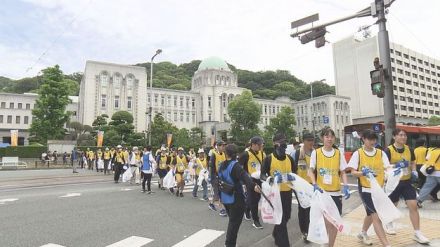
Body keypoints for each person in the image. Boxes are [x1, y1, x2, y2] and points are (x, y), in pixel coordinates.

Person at [346, 129, 391, 247]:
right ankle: (387, 244)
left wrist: (391, 174)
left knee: (370, 214)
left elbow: (388, 168)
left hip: (379, 190)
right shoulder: (358, 153)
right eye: (370, 139)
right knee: (376, 217)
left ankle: (363, 233)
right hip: (366, 189)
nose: (373, 141)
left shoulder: (381, 153)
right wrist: (363, 173)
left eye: (374, 139)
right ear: (364, 139)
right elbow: (353, 172)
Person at [384, 128, 429, 244]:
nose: (404, 137)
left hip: (406, 182)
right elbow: (384, 166)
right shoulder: (388, 150)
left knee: (413, 206)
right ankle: (388, 223)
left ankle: (417, 233)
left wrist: (414, 171)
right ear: (394, 137)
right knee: (392, 206)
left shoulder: (409, 149)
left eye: (405, 135)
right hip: (394, 183)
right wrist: (396, 165)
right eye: (401, 135)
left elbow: (413, 162)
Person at [308, 127, 350, 247]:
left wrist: (346, 186)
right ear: (322, 138)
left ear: (334, 138)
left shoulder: (338, 153)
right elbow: (310, 170)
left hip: (336, 193)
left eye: (331, 136)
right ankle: (326, 244)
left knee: (335, 222)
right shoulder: (316, 153)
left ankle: (330, 245)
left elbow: (342, 171)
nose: (329, 139)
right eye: (327, 136)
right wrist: (314, 183)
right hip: (323, 194)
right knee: (328, 222)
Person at [219, 144, 261, 247]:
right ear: (236, 154)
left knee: (232, 221)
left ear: (226, 153)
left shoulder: (222, 165)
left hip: (225, 197)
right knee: (234, 223)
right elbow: (246, 178)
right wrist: (254, 186)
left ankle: (230, 243)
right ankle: (229, 244)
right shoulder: (235, 166)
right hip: (235, 198)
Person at [261, 133, 296, 247]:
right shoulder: (268, 159)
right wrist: (271, 179)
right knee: (280, 218)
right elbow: (262, 175)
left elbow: (295, 174)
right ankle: (284, 243)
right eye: (280, 142)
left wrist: (292, 177)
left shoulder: (290, 158)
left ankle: (276, 233)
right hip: (275, 194)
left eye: (284, 142)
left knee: (287, 216)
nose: (283, 145)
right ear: (275, 144)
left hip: (287, 192)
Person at [239, 136, 265, 229]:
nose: (261, 146)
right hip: (250, 180)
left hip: (260, 179)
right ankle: (256, 220)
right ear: (253, 144)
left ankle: (247, 209)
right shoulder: (245, 154)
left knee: (257, 198)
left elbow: (265, 166)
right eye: (259, 144)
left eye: (261, 144)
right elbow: (239, 169)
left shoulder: (262, 154)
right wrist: (244, 181)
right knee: (254, 200)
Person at [293, 133, 315, 241]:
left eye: (312, 140)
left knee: (311, 208)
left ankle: (310, 229)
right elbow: (292, 170)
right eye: (309, 140)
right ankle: (304, 232)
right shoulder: (296, 153)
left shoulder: (315, 153)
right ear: (303, 141)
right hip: (300, 186)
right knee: (303, 208)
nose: (311, 142)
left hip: (312, 185)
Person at [418, 140, 440, 205]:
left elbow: (427, 159)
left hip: (431, 172)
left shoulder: (432, 151)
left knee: (427, 188)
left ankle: (418, 201)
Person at [209, 140, 227, 217]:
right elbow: (211, 167)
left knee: (218, 193)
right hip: (215, 176)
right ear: (218, 146)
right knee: (219, 193)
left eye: (224, 146)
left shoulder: (224, 154)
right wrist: (211, 177)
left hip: (222, 176)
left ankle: (211, 204)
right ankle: (222, 209)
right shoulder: (214, 155)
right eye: (222, 146)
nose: (224, 147)